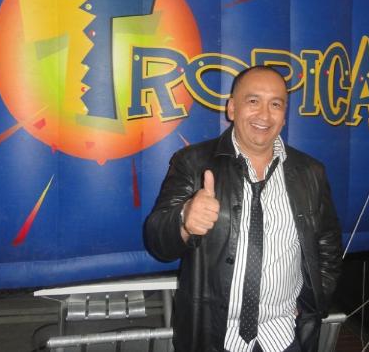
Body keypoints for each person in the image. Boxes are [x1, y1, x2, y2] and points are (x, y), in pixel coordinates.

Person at [144, 65, 342, 352]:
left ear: (284, 115)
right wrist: (184, 220)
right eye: (253, 101)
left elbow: (328, 246)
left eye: (276, 104)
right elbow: (156, 242)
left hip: (284, 335)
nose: (264, 114)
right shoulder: (193, 162)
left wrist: (315, 302)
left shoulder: (311, 172)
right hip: (213, 338)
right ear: (232, 108)